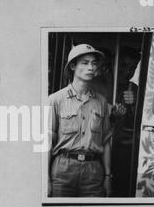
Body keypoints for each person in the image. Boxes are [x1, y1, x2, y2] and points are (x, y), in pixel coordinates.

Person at [48, 44, 112, 197]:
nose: (91, 67)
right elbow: (47, 142)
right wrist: (46, 179)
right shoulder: (55, 100)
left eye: (94, 63)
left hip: (94, 171)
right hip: (63, 170)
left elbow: (106, 141)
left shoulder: (101, 102)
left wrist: (108, 176)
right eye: (85, 62)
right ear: (72, 66)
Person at [111, 46, 140, 197]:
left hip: (124, 146)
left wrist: (135, 103)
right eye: (123, 65)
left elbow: (140, 120)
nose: (127, 71)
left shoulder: (135, 89)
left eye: (132, 67)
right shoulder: (105, 83)